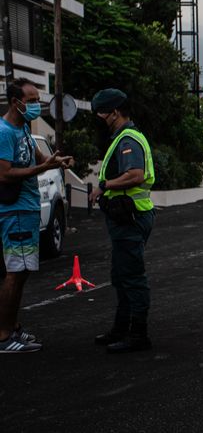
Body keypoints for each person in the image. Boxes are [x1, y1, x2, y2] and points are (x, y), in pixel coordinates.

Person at [0, 78, 72, 353]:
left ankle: (13, 327)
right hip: (14, 211)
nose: (36, 106)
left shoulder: (24, 131)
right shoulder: (4, 132)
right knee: (14, 273)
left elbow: (39, 157)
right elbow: (4, 173)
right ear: (16, 103)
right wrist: (41, 170)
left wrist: (56, 162)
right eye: (31, 101)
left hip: (28, 208)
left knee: (23, 272)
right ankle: (4, 336)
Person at [87, 88, 155, 354]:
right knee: (121, 274)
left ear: (115, 112)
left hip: (131, 217)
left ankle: (138, 334)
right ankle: (121, 328)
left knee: (132, 276)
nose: (101, 119)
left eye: (103, 114)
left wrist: (104, 185)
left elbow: (135, 174)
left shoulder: (127, 139)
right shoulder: (125, 137)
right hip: (127, 216)